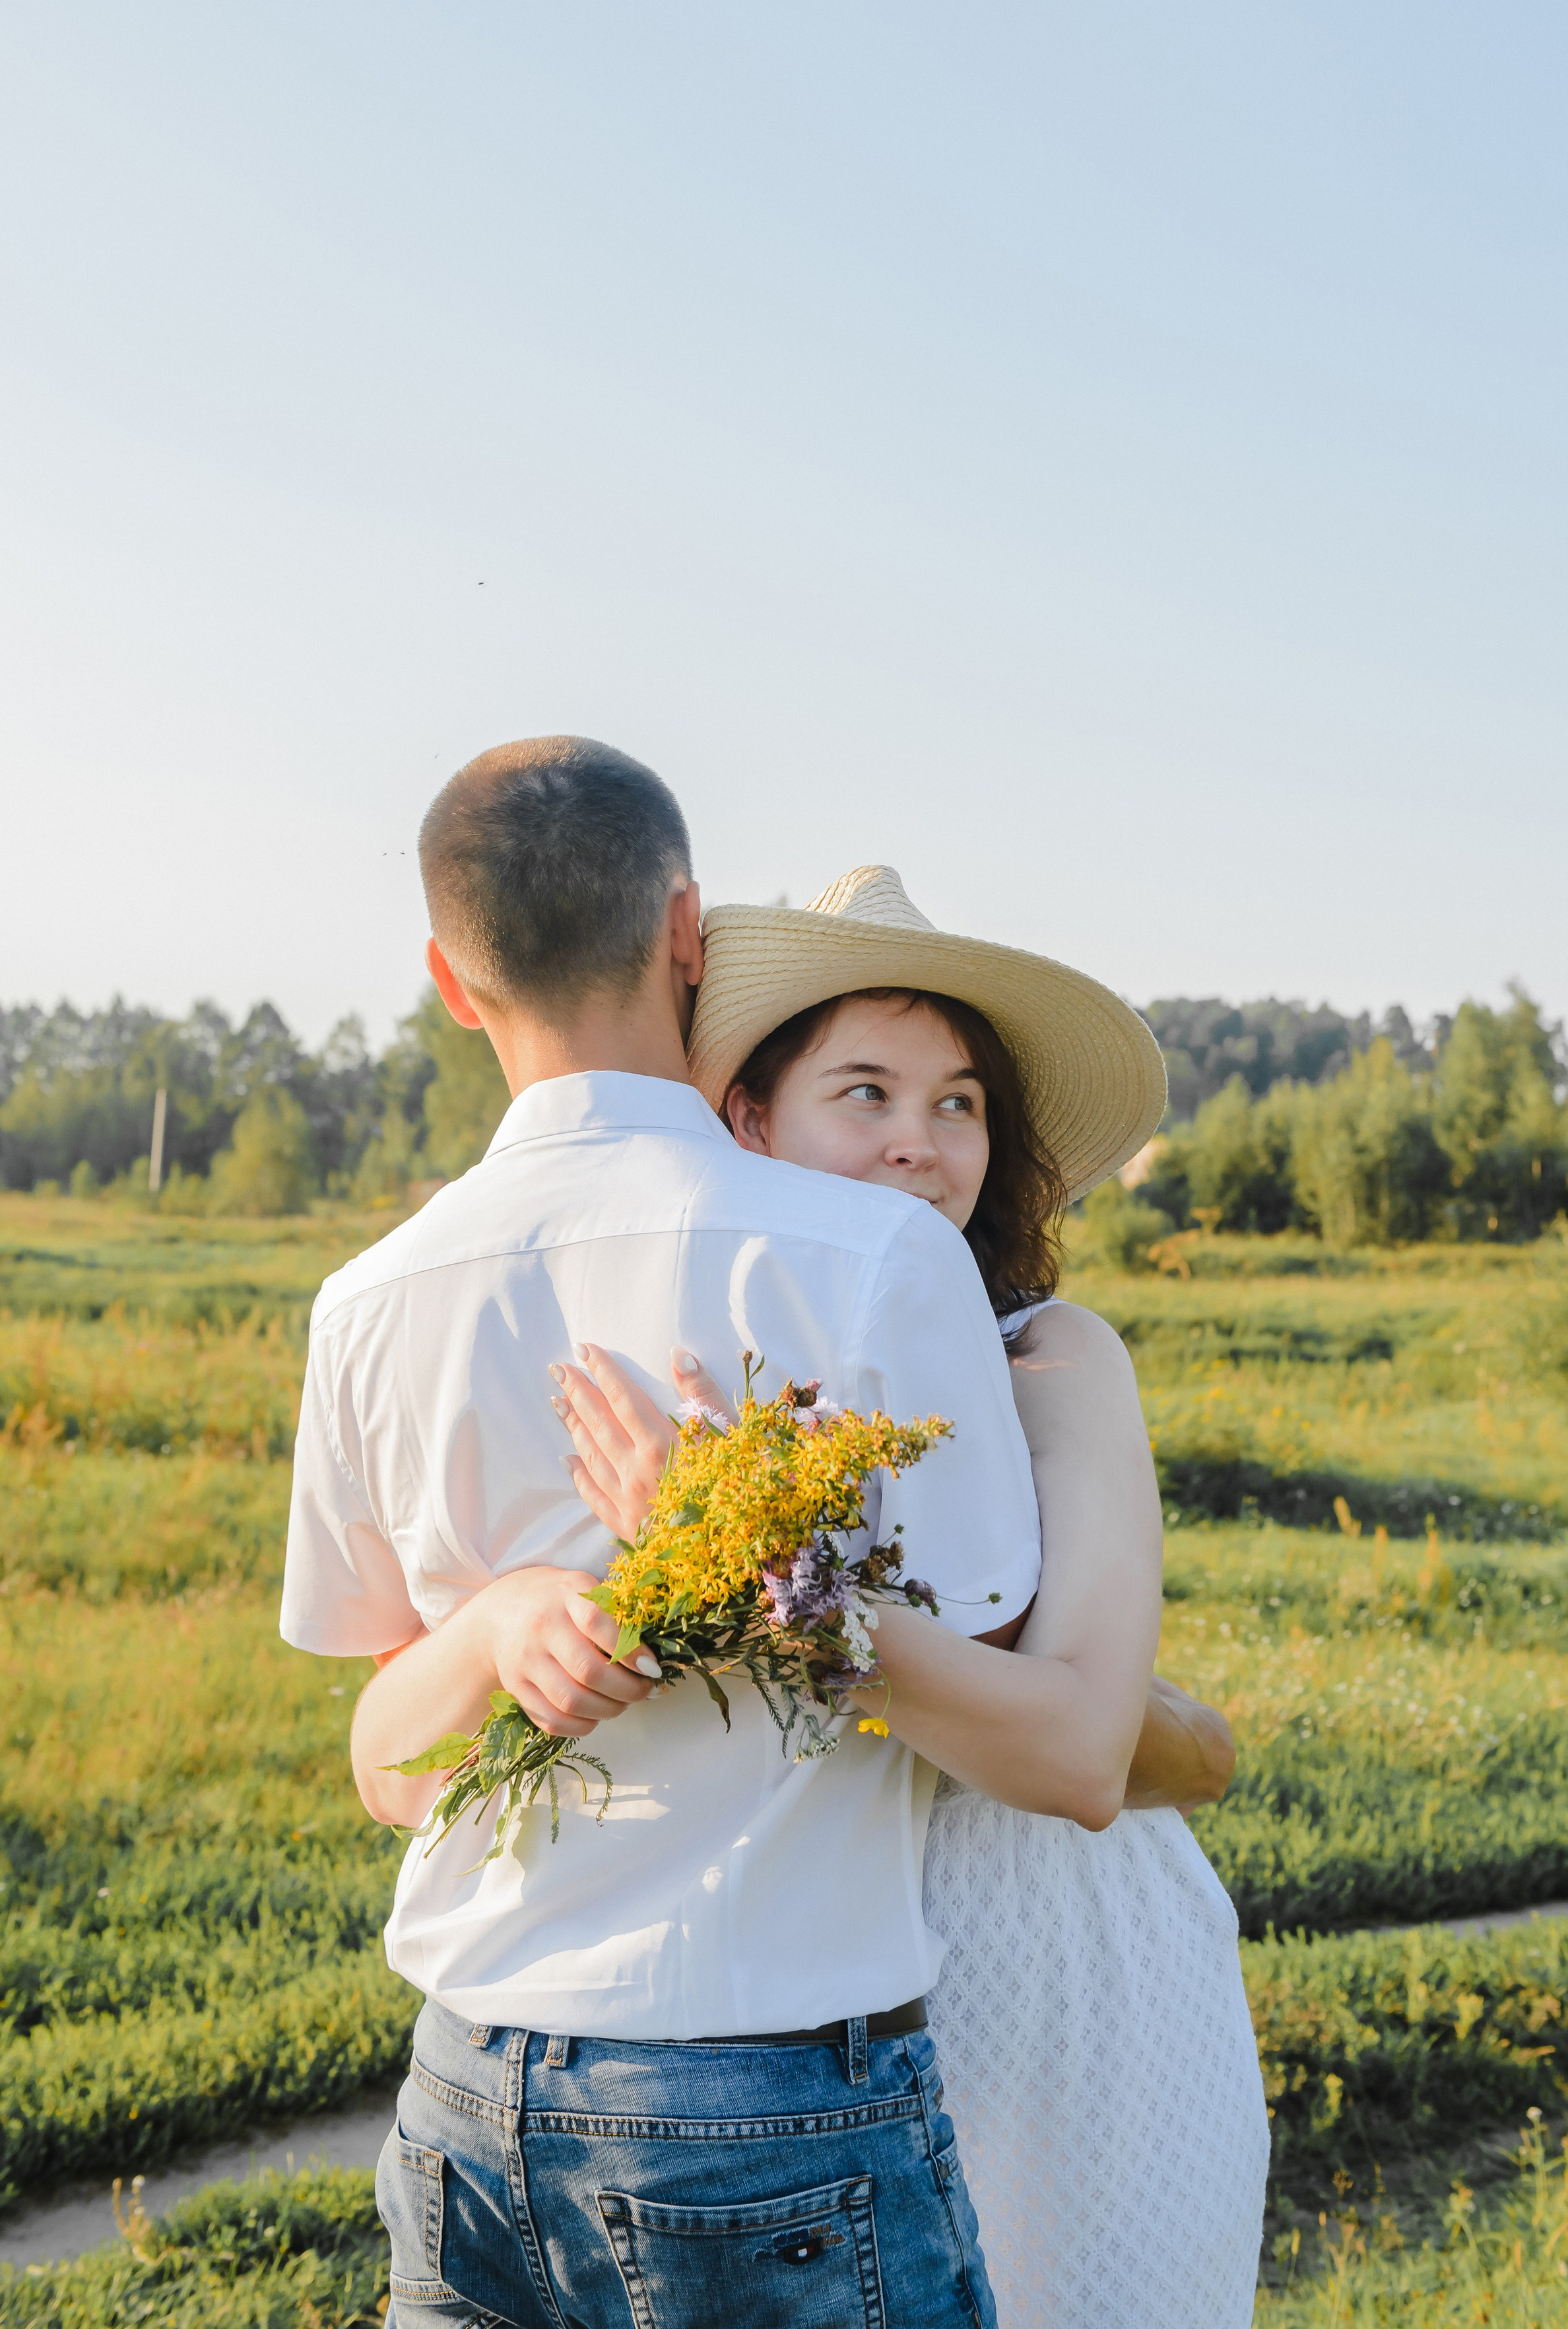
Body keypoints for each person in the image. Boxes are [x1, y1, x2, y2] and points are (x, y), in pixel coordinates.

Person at [281, 740, 1140, 2329]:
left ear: (448, 984)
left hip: (466, 2101)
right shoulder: (884, 1257)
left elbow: (396, 1776)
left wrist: (487, 1627)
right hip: (764, 2118)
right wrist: (670, 1596)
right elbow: (1035, 1721)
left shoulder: (368, 1300)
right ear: (688, 935)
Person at [556, 863, 1270, 2329]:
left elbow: (1080, 1752)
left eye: (957, 1103)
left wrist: (780, 1592)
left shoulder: (1049, 1357)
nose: (921, 1144)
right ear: (749, 1117)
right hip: (786, 1990)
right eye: (866, 1093)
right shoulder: (665, 1387)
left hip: (1065, 1964)